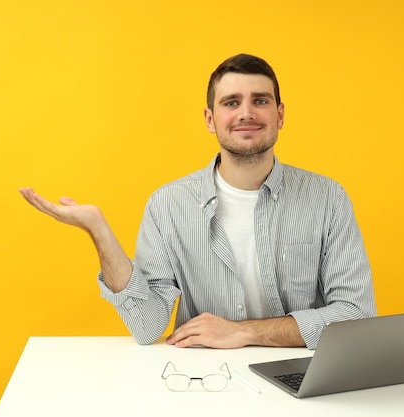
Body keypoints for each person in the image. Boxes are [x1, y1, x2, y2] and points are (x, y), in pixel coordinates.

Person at [19, 53, 376, 350]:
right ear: (211, 119)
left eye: (261, 101)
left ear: (279, 115)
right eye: (231, 102)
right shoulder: (169, 205)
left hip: (301, 375)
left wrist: (244, 332)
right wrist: (99, 231)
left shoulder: (327, 198)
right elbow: (147, 326)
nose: (246, 113)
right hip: (202, 378)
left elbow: (357, 315)